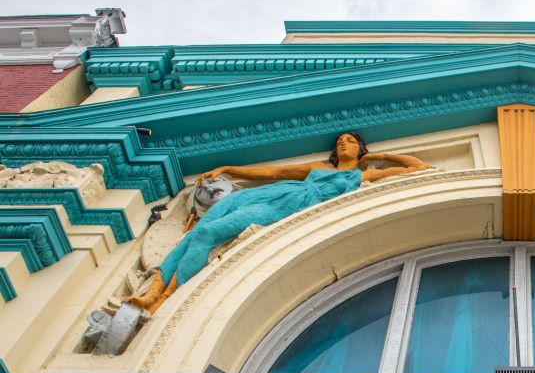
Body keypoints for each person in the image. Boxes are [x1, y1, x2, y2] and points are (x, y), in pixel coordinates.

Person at [125, 132, 428, 312]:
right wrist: (229, 168)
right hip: (276, 194)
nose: (344, 144)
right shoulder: (317, 167)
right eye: (340, 142)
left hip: (290, 209)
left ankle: (167, 297)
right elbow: (272, 174)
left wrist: (377, 156)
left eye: (351, 142)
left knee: (209, 232)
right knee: (196, 232)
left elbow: (418, 167)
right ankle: (151, 293)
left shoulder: (362, 175)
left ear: (360, 149)